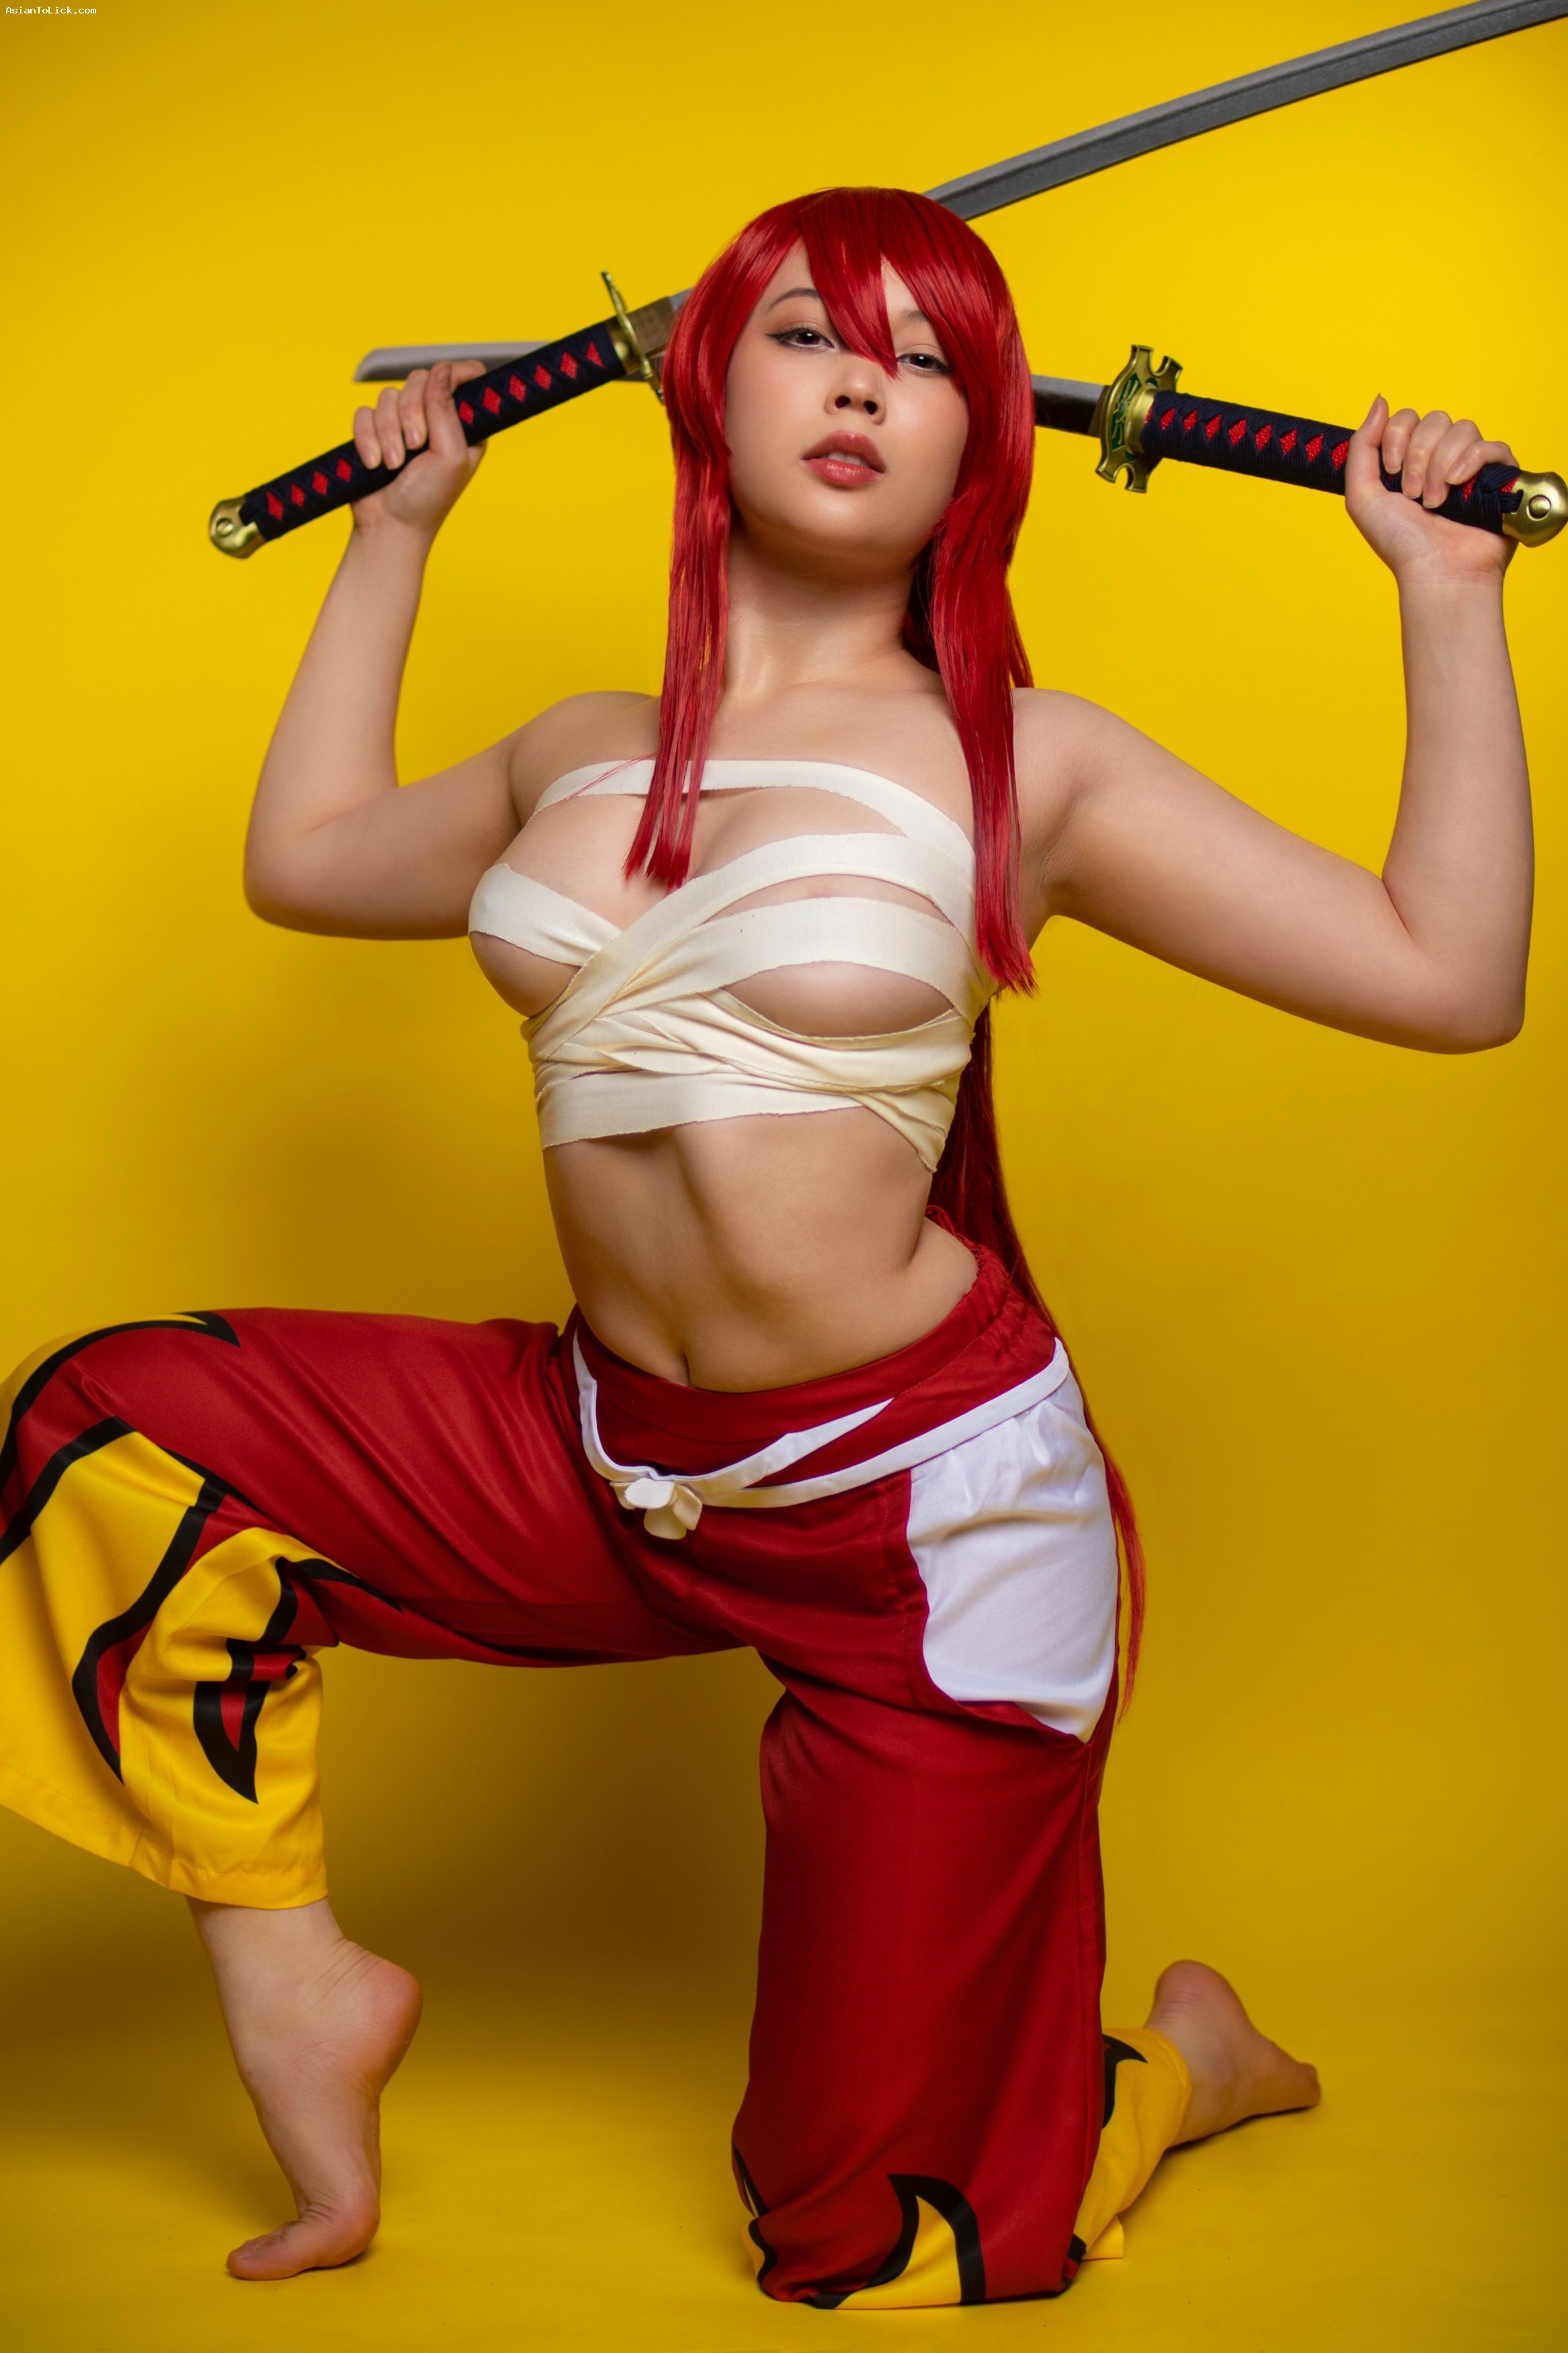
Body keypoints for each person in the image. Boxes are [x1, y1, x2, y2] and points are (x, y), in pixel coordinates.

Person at [0, 186, 1529, 2305]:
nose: (860, 386)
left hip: (922, 1528)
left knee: (870, 2241)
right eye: (809, 333)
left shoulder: (1029, 764)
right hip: (602, 1454)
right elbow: (307, 860)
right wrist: (394, 535)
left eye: (926, 360)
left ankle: (1178, 2058)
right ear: (703, 390)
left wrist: (1447, 597)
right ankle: (303, 1990)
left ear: (983, 442)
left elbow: (1448, 975)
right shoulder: (578, 747)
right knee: (112, 1441)